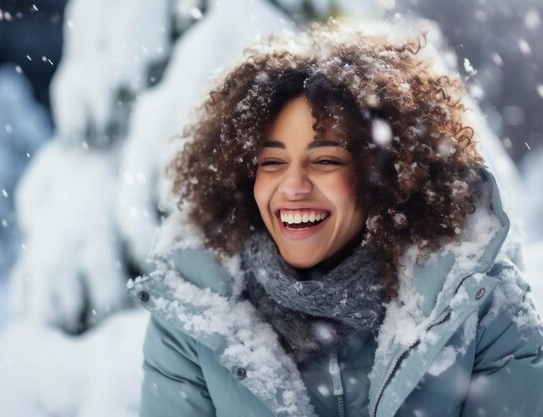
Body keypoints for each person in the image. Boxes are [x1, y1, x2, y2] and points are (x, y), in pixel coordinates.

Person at [126, 19, 543, 417]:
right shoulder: (193, 309)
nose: (291, 187)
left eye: (325, 160)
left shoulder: (479, 301)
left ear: (384, 175)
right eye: (271, 162)